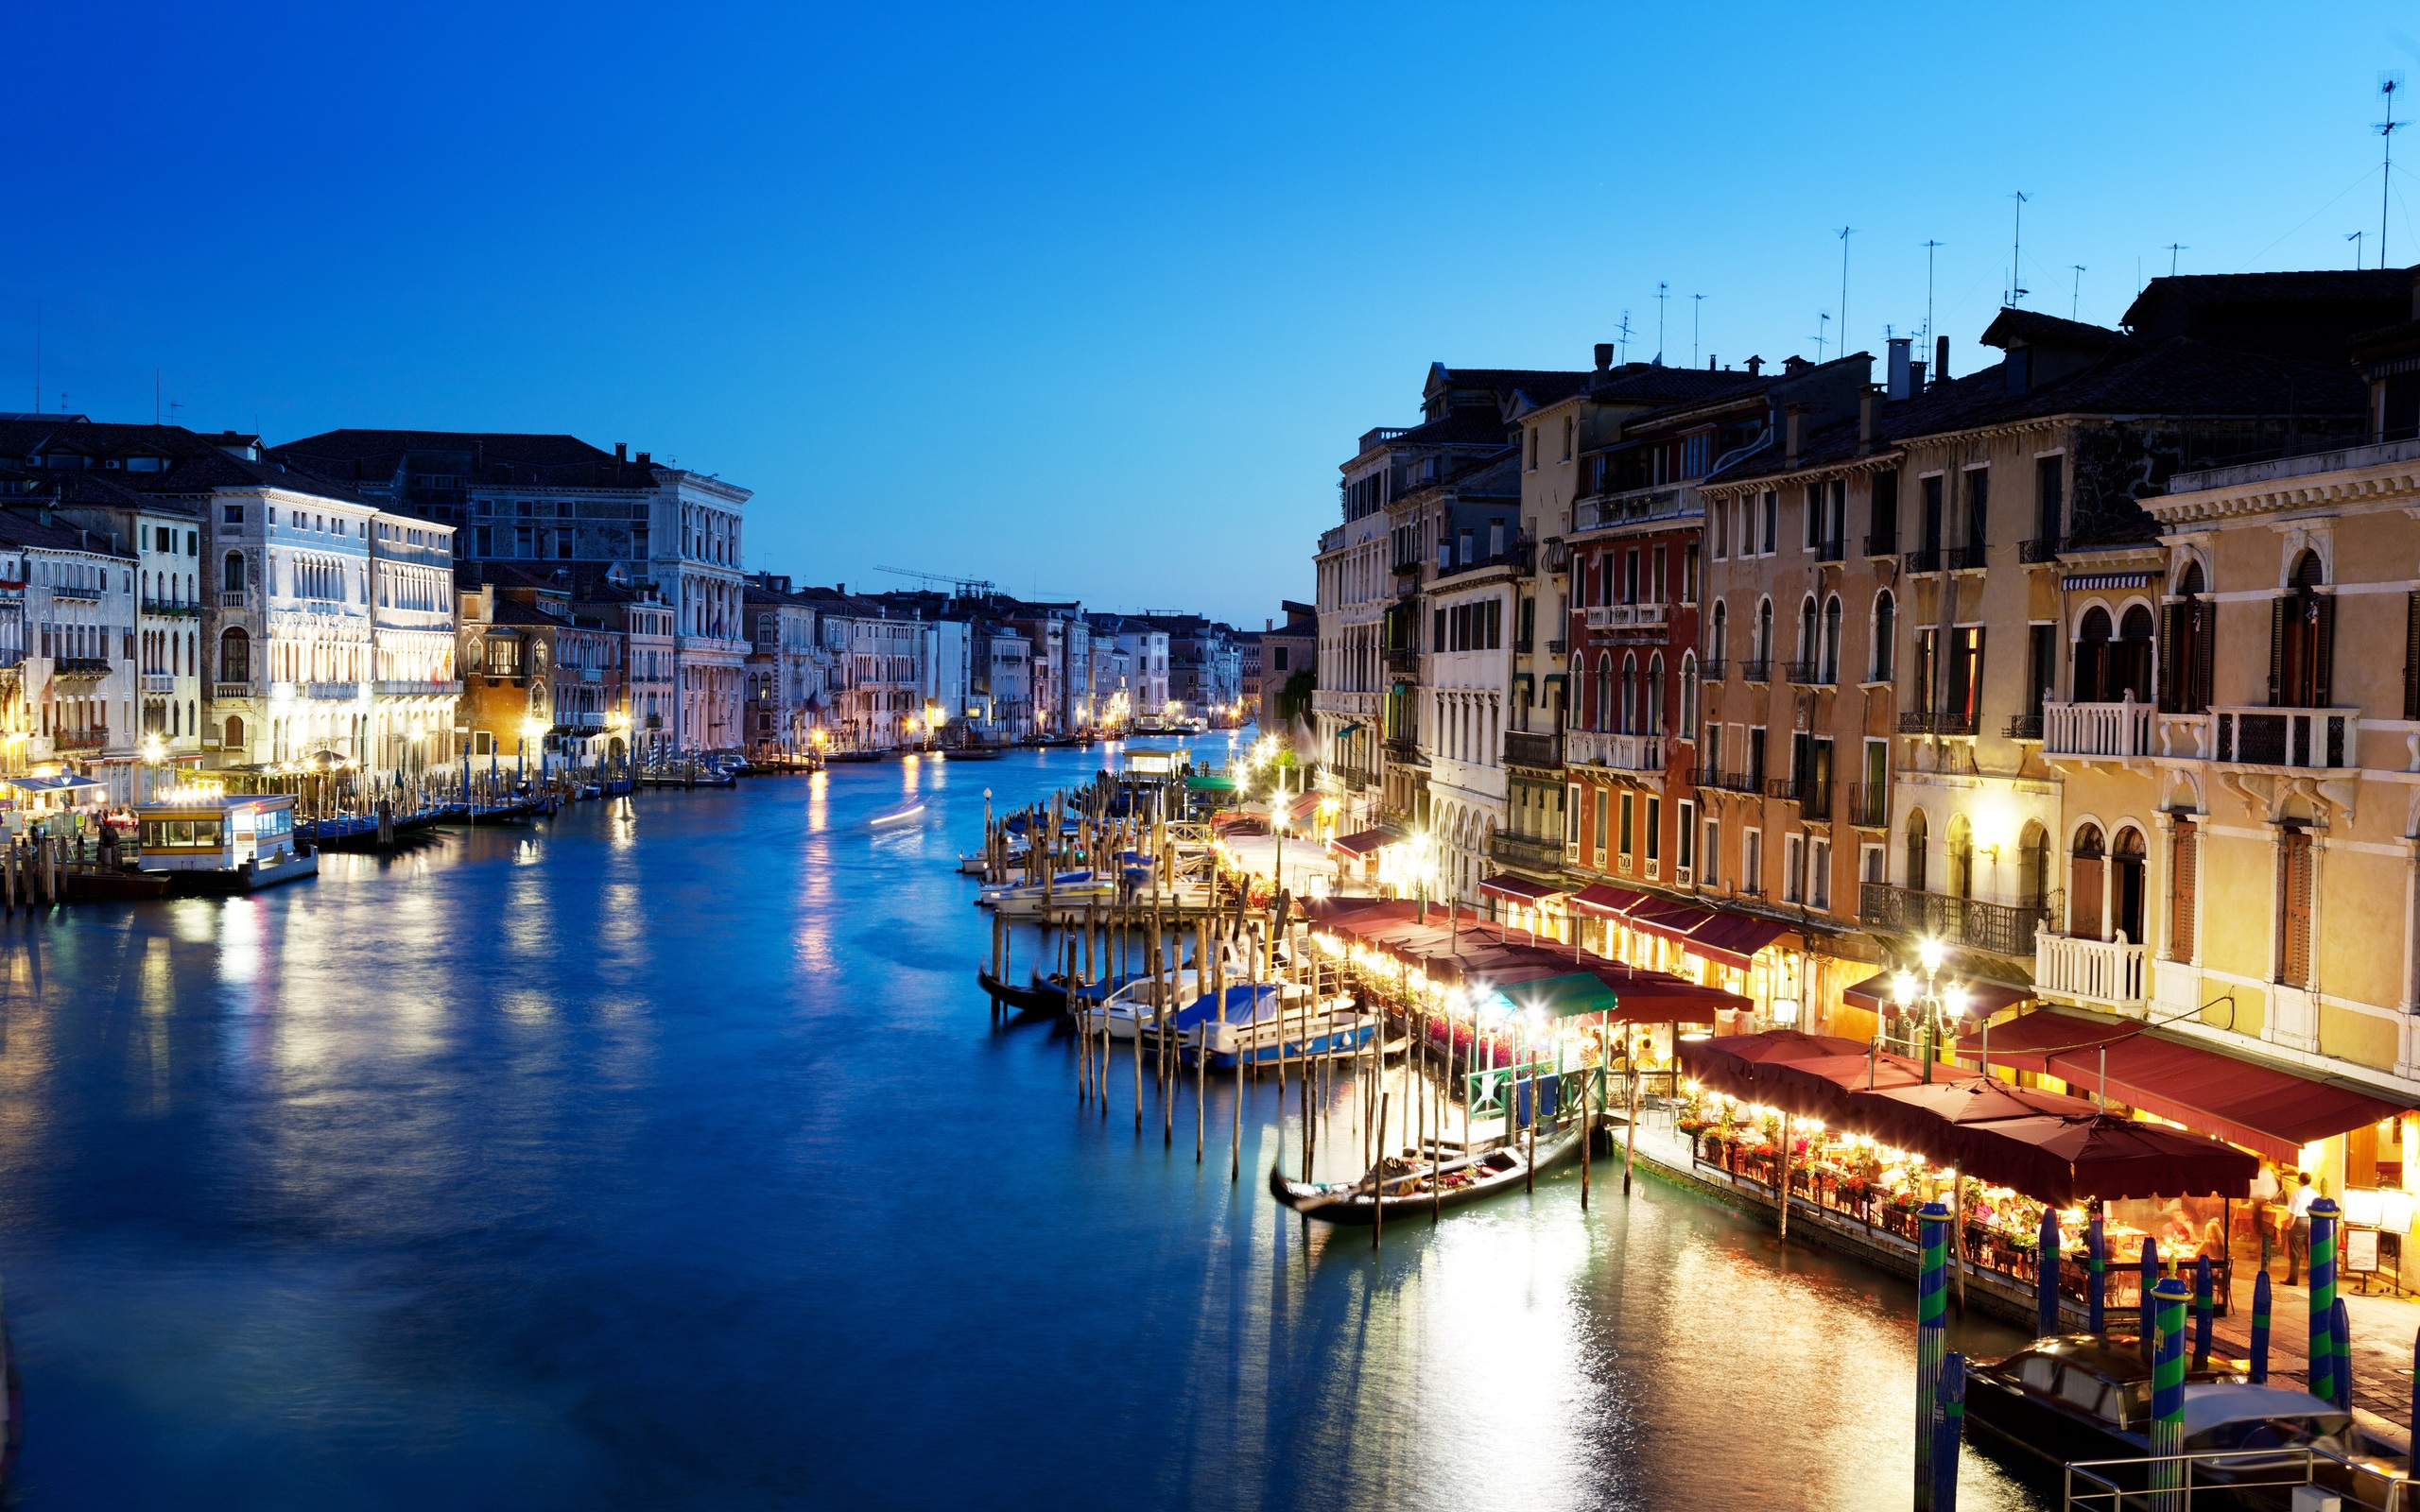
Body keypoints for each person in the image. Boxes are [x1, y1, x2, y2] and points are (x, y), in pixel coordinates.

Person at [2250, 1162, 2283, 1275]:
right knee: (2264, 1229)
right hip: (2265, 1200)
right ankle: (2261, 1251)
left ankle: (2260, 1252)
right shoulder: (2269, 1174)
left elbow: (2253, 1186)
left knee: (2259, 1229)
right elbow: (2275, 1188)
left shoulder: (2260, 1173)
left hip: (2258, 1202)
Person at [2287, 1171, 2316, 1285]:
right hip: (2311, 1222)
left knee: (2295, 1252)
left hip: (2299, 1221)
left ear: (2300, 1181)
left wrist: (2290, 1225)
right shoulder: (2315, 1194)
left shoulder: (2297, 1193)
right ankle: (2312, 1277)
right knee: (2311, 1251)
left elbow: (2293, 1212)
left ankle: (2293, 1279)